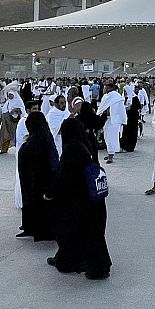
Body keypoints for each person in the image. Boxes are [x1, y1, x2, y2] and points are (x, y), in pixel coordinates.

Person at [46, 117, 111, 280]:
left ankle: (74, 263)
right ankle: (100, 266)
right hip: (93, 198)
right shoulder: (86, 143)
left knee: (73, 230)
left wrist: (51, 192)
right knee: (94, 234)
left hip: (80, 200)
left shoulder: (71, 149)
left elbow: (64, 176)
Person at [17, 111, 59, 241]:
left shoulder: (38, 139)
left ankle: (39, 229)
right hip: (34, 179)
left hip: (38, 180)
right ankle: (30, 227)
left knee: (37, 204)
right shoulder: (44, 136)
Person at [98, 82, 127, 164]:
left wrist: (122, 120)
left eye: (107, 88)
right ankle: (110, 152)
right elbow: (102, 107)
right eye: (105, 88)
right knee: (106, 137)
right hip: (106, 120)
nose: (105, 90)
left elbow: (121, 110)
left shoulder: (117, 97)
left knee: (112, 138)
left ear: (111, 88)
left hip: (114, 120)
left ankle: (111, 155)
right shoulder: (105, 97)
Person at [0, 90, 25, 154]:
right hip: (6, 122)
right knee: (4, 135)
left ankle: (19, 149)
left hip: (13, 122)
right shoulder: (8, 102)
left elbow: (22, 110)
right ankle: (3, 149)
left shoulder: (18, 101)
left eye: (11, 94)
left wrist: (15, 110)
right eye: (9, 95)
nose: (9, 96)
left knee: (16, 136)